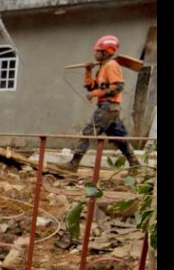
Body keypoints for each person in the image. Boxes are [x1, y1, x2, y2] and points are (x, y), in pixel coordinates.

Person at [56, 35, 141, 173]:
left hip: (108, 107)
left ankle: (73, 164)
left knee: (87, 132)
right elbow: (91, 87)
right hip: (110, 108)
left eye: (97, 51)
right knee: (119, 138)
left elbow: (118, 87)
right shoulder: (102, 67)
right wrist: (88, 71)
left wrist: (95, 94)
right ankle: (135, 165)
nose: (94, 54)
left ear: (106, 52)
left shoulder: (111, 65)